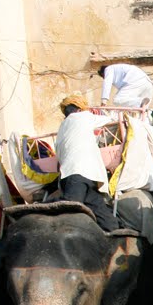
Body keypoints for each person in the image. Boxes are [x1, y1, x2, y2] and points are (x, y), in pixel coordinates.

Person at [54, 94, 121, 231]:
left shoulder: (62, 127)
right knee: (69, 214)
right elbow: (111, 118)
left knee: (103, 214)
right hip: (82, 174)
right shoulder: (83, 117)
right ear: (80, 109)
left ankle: (114, 228)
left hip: (75, 176)